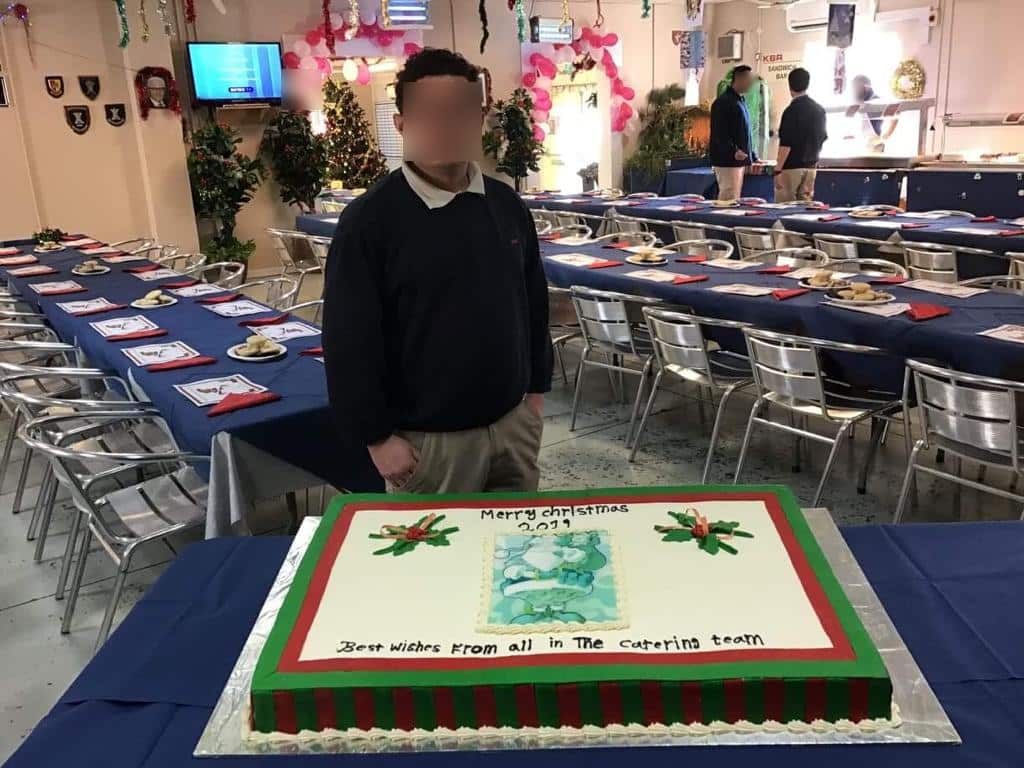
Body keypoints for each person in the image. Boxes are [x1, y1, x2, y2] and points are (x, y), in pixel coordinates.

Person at [322, 48, 553, 495]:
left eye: (461, 112)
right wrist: (376, 437)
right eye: (431, 113)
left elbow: (533, 303)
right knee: (437, 563)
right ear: (402, 123)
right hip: (429, 445)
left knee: (520, 558)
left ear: (479, 119)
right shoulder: (369, 223)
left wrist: (536, 391)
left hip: (513, 428)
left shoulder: (505, 205)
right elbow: (349, 342)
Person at [775, 67, 828, 203]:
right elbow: (822, 137)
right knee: (804, 211)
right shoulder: (819, 110)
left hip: (791, 168)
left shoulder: (791, 111)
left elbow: (786, 144)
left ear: (789, 85)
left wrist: (777, 169)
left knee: (784, 208)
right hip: (811, 167)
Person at [709, 65, 757, 201]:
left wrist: (752, 154)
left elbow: (745, 132)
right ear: (740, 79)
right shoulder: (723, 103)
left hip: (739, 160)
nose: (751, 84)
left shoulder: (741, 101)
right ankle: (724, 221)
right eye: (749, 80)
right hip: (727, 160)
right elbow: (719, 133)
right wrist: (733, 151)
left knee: (734, 197)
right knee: (728, 197)